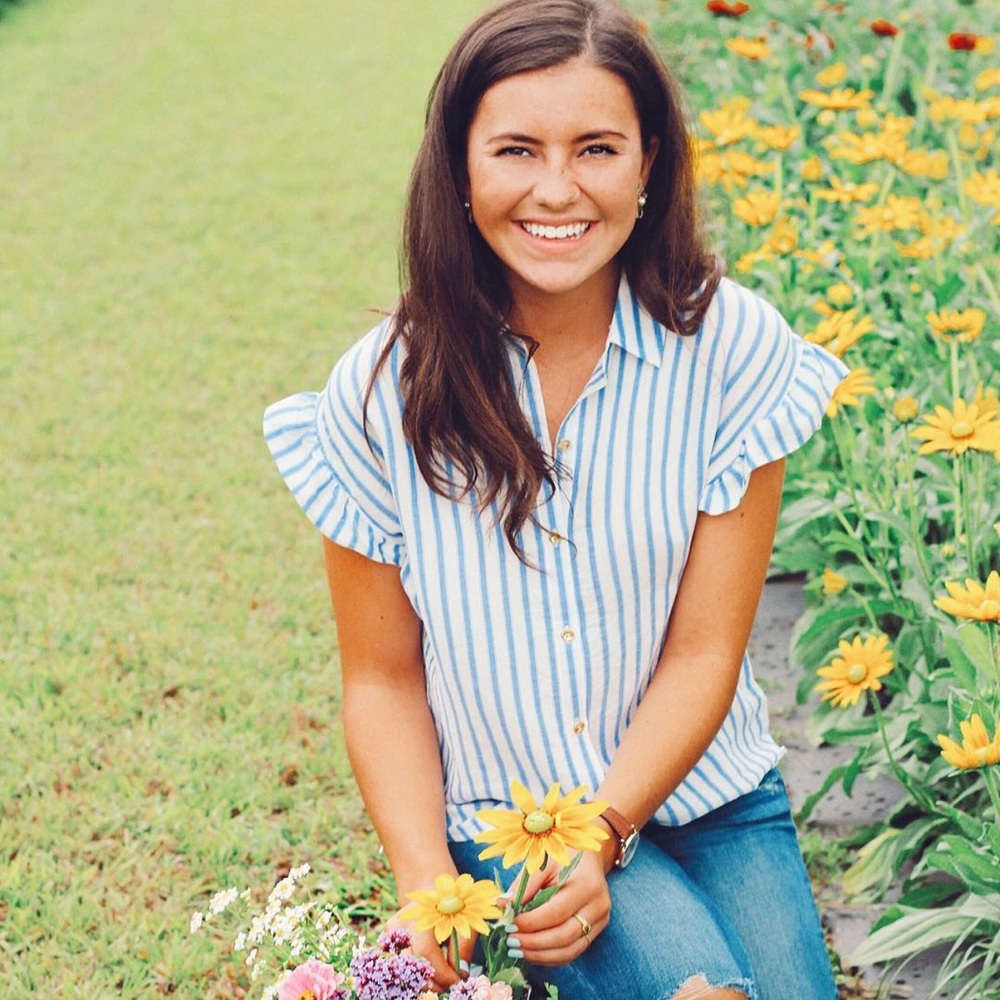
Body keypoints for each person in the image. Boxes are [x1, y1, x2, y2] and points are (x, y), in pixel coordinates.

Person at [264, 1, 846, 997]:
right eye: (516, 150)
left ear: (649, 162)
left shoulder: (732, 347)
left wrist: (607, 829)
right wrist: (428, 886)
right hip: (513, 824)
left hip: (715, 796)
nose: (557, 189)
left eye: (597, 149)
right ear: (458, 169)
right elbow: (383, 681)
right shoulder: (378, 393)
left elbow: (705, 651)